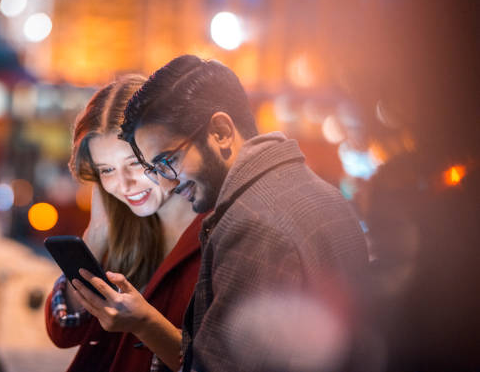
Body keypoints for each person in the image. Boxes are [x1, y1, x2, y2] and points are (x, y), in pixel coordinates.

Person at [120, 55, 370, 372]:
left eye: (168, 161)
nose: (167, 184)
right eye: (155, 170)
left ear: (222, 131)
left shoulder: (253, 222)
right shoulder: (320, 192)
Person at [44, 75, 205, 372]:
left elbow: (216, 364)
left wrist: (145, 324)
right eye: (106, 170)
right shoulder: (126, 228)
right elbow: (64, 330)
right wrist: (96, 233)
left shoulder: (215, 234)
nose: (124, 184)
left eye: (134, 163)